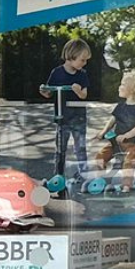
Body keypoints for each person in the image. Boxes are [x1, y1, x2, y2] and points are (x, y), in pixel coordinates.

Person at [40, 38, 92, 186]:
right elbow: (49, 92)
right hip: (62, 118)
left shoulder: (82, 74)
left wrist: (78, 90)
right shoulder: (57, 73)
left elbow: (84, 95)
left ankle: (84, 175)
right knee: (60, 149)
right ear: (71, 56)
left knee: (80, 148)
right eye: (82, 60)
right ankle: (58, 176)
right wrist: (44, 90)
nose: (84, 63)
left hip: (78, 118)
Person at [93, 69, 135, 192]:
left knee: (129, 161)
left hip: (132, 144)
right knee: (100, 156)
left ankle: (126, 185)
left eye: (123, 84)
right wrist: (102, 132)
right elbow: (112, 120)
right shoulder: (120, 106)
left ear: (132, 89)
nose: (119, 87)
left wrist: (126, 135)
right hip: (116, 143)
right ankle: (100, 180)